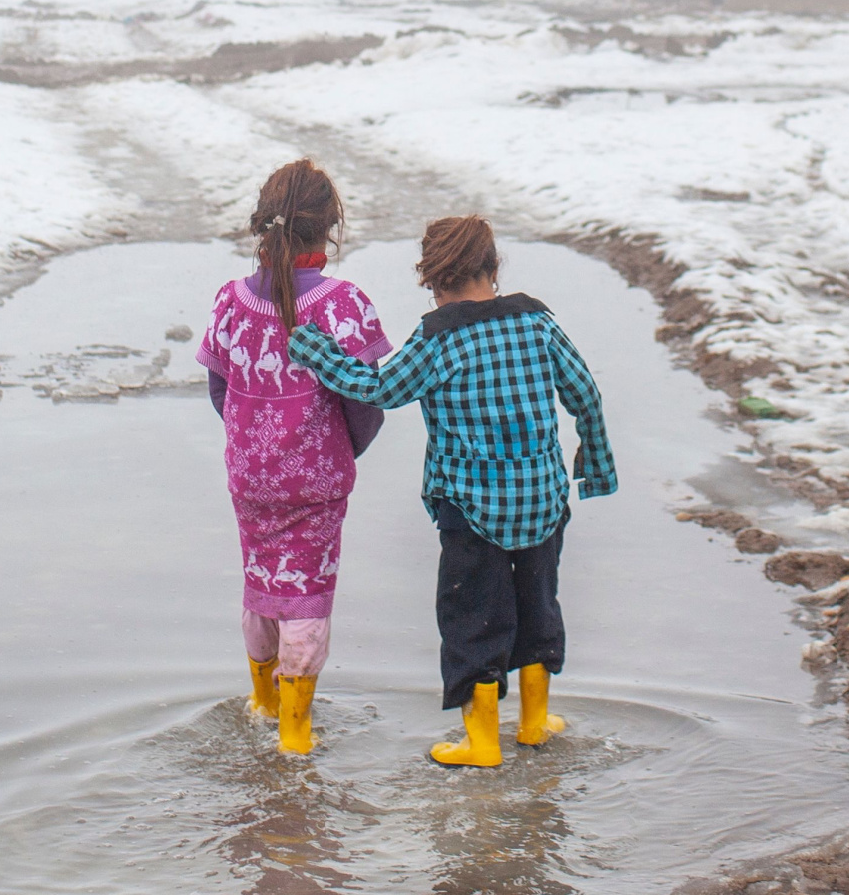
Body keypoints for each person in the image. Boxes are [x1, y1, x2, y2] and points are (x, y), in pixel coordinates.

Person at [287, 215, 617, 768]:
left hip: (471, 510)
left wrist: (318, 351)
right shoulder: (537, 322)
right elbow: (584, 392)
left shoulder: (439, 338)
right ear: (493, 268)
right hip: (542, 499)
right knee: (539, 607)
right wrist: (595, 463)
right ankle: (534, 724)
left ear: (433, 280)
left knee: (474, 618)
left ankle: (483, 742)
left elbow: (381, 388)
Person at [195, 159, 392, 755]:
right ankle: (295, 736)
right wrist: (342, 448)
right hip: (317, 481)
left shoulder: (232, 300)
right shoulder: (342, 304)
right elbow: (367, 399)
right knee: (306, 595)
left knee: (262, 585)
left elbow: (219, 388)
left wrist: (251, 439)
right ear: (329, 227)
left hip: (250, 475)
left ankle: (260, 702)